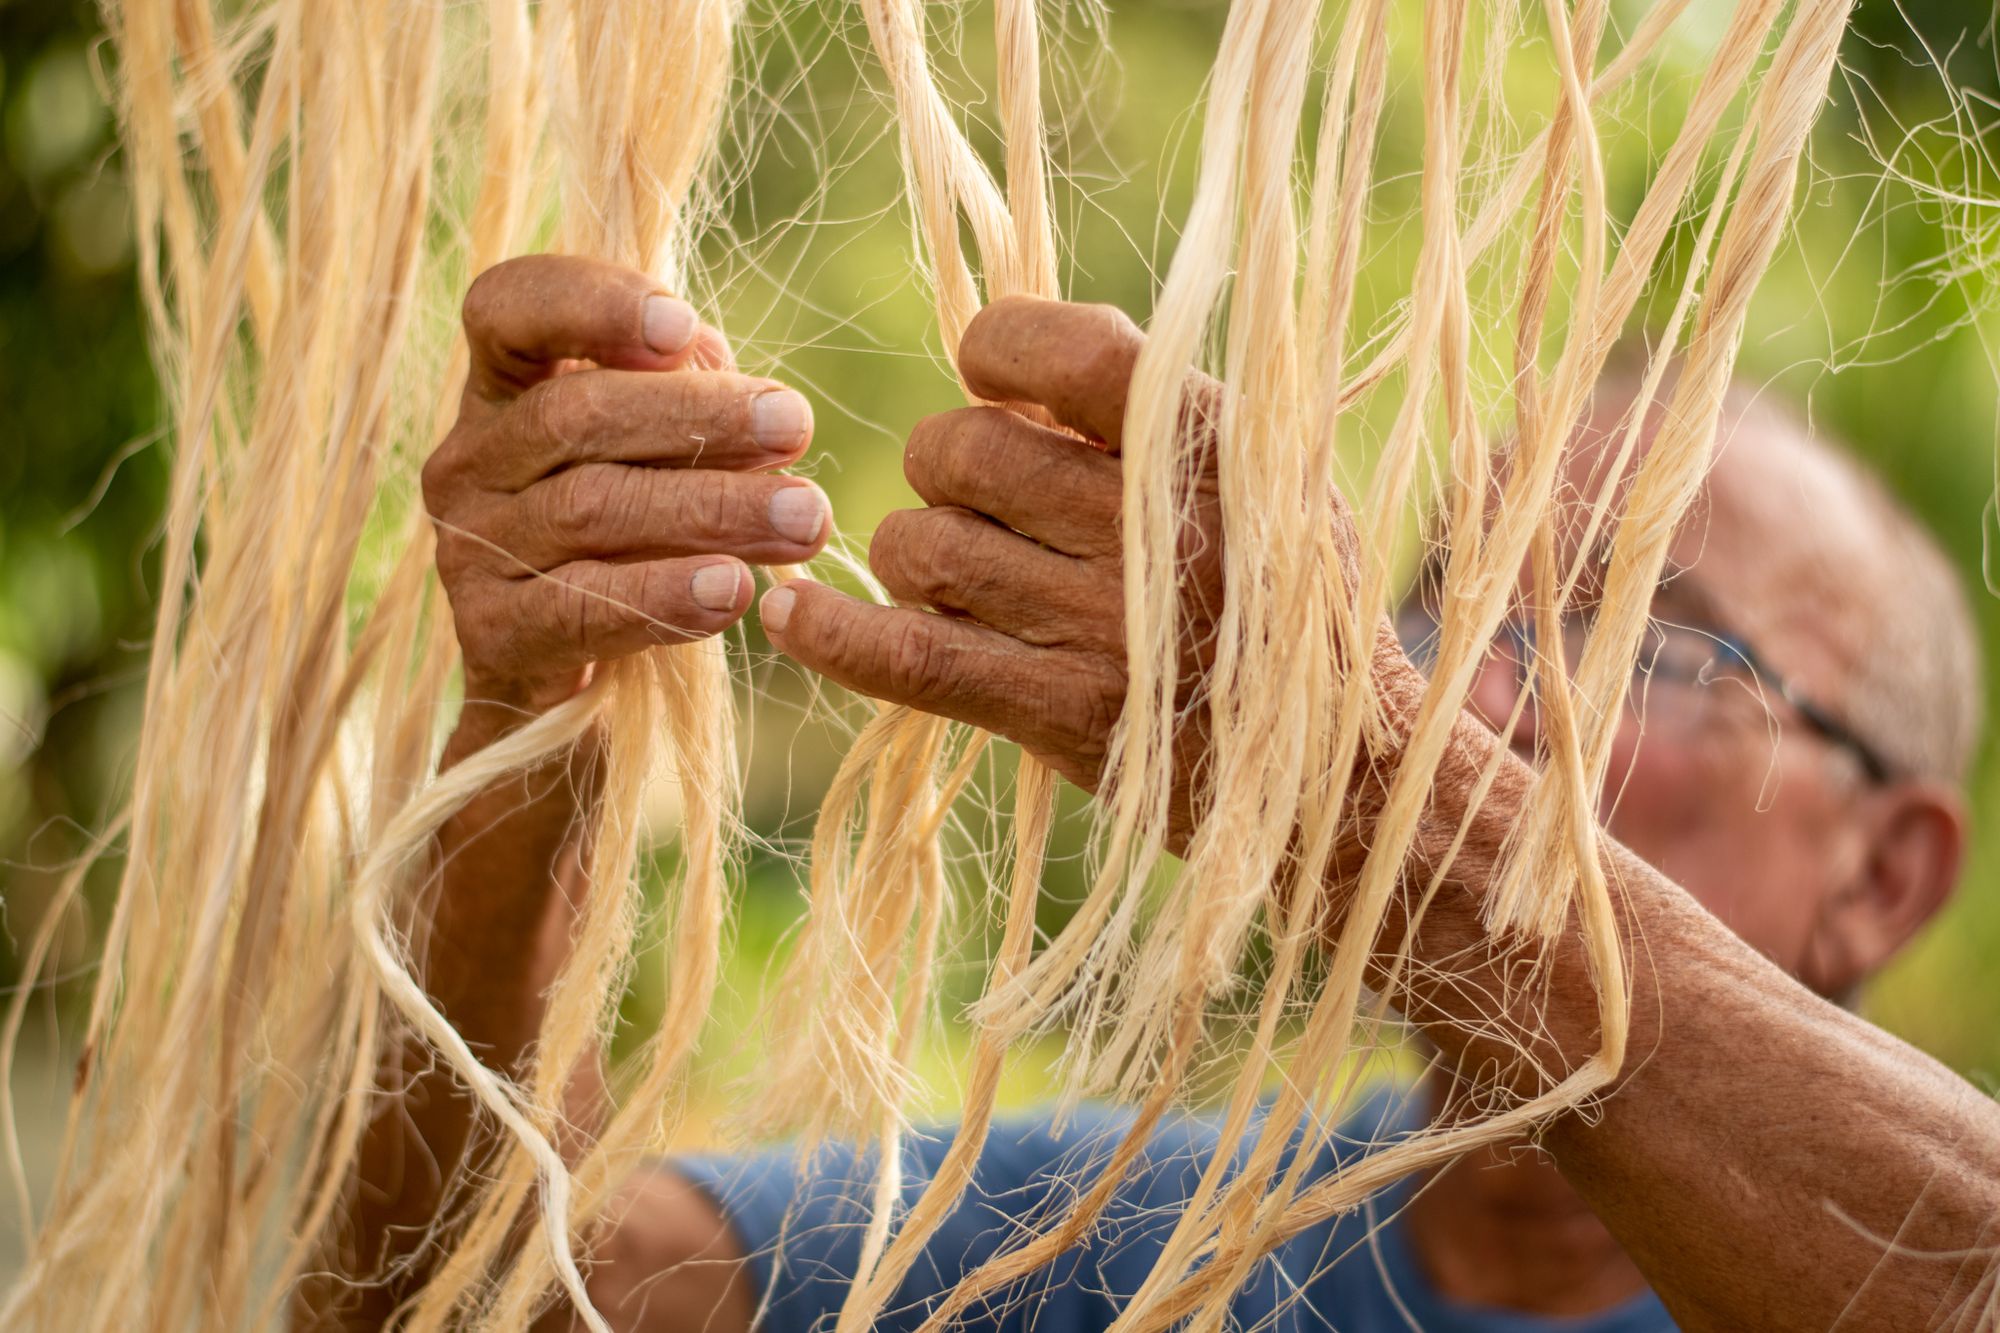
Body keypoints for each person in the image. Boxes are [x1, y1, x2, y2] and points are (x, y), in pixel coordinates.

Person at [312, 254, 2000, 1331]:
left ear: (1886, 875)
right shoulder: (1117, 1243)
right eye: (1444, 620)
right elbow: (479, 1303)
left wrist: (1369, 811)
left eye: (1646, 642)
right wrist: (535, 716)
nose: (1477, 699)